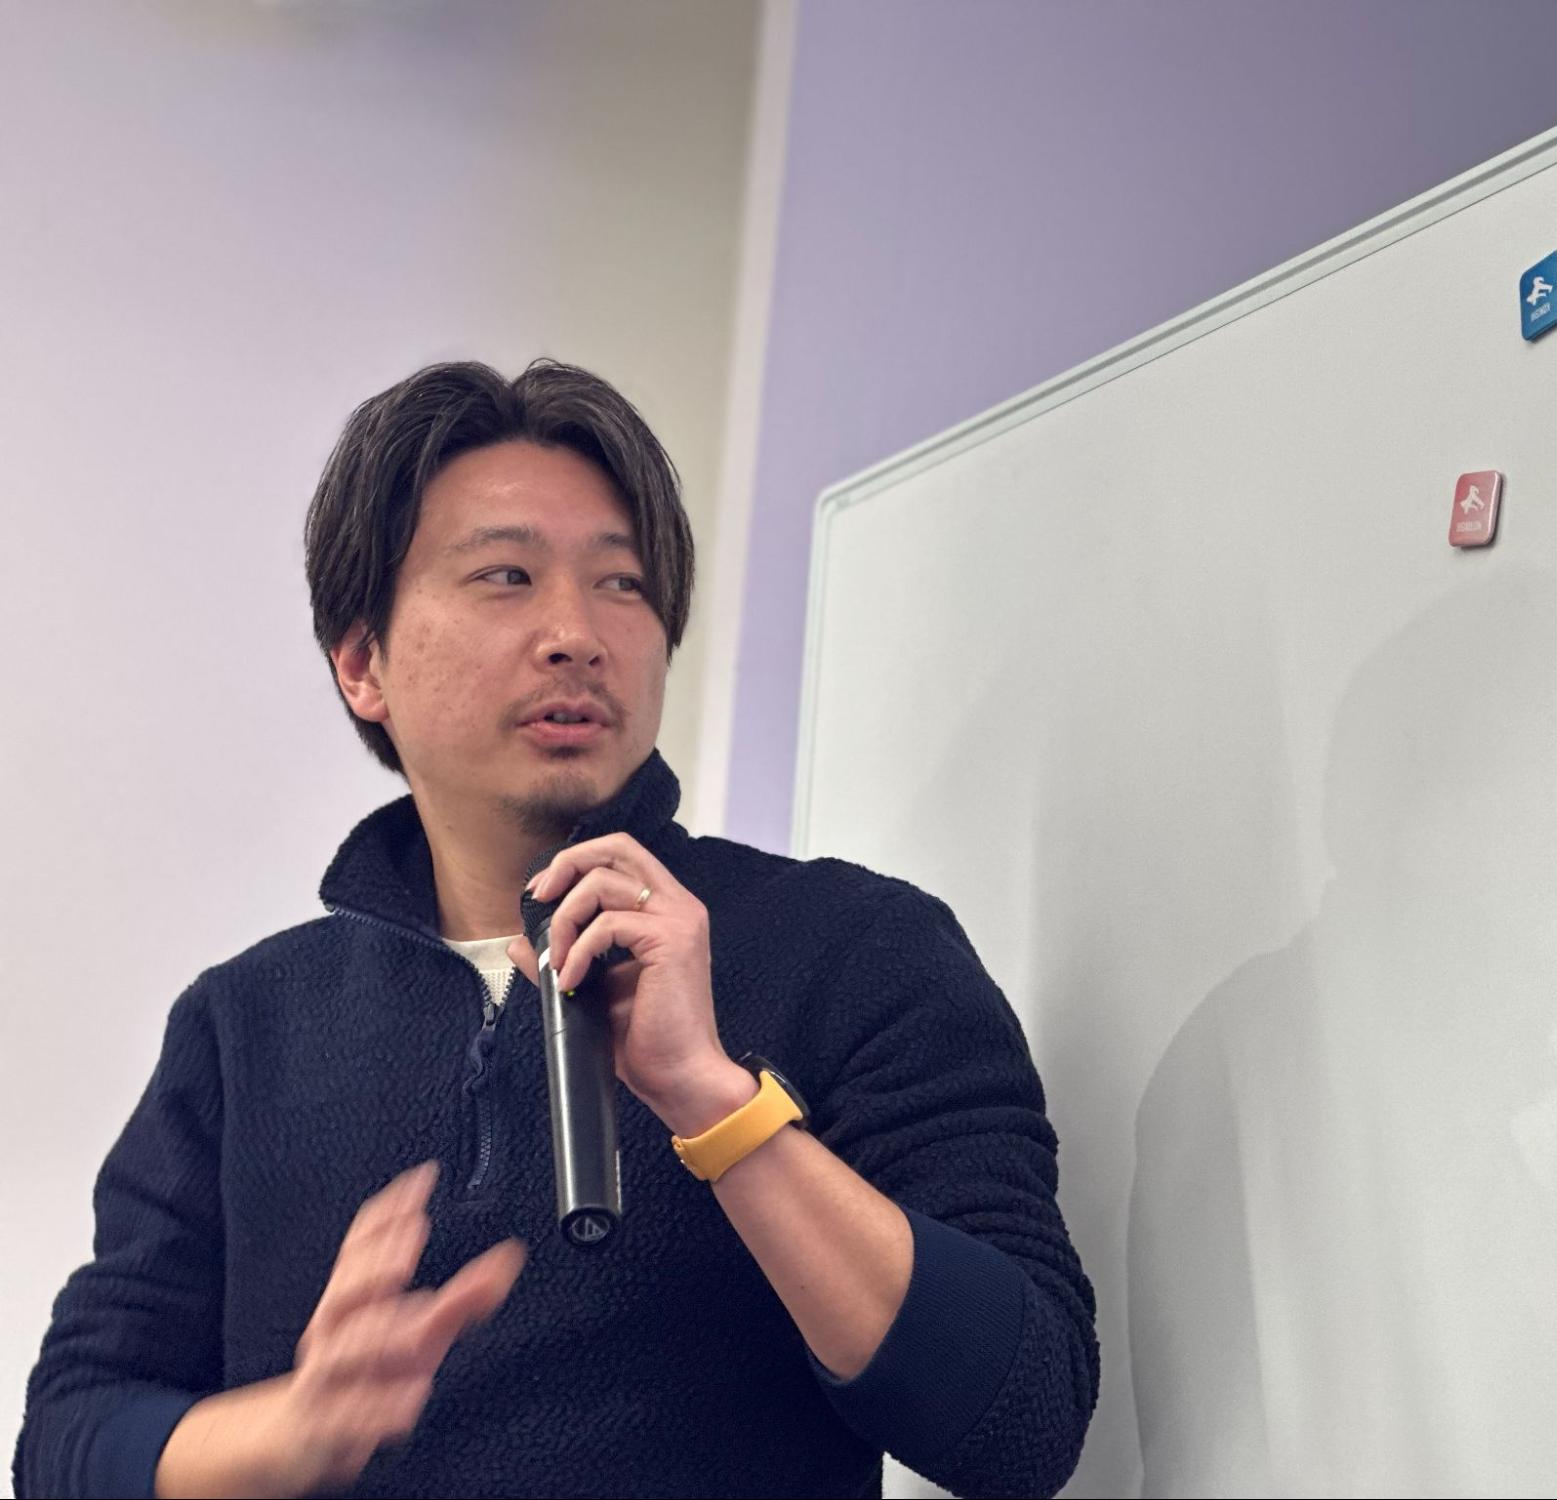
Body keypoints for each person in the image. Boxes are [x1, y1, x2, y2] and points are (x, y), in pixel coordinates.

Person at [13, 359, 1099, 1499]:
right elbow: (66, 1442)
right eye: (507, 576)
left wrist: (718, 1108)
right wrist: (288, 1430)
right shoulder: (246, 1024)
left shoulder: (856, 947)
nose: (577, 633)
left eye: (623, 585)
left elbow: (1023, 1421)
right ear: (363, 663)